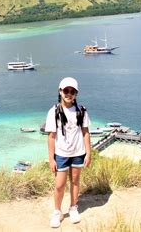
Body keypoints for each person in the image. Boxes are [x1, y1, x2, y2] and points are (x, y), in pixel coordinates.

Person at [45, 77, 91, 228]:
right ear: (60, 91)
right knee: (59, 185)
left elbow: (85, 132)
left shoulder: (81, 111)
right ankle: (57, 212)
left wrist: (88, 153)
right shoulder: (54, 111)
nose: (69, 94)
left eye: (72, 91)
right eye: (66, 90)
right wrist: (51, 158)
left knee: (75, 181)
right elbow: (51, 136)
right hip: (61, 154)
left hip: (78, 152)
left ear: (76, 94)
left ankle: (73, 207)